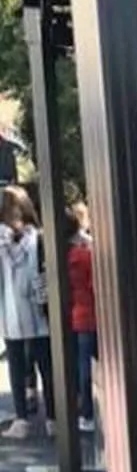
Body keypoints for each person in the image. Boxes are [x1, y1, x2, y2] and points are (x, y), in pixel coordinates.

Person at [0, 186, 54, 440]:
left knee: (22, 365)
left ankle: (25, 419)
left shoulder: (6, 240)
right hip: (33, 312)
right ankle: (49, 418)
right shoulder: (37, 238)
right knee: (42, 365)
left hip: (16, 311)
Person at [66, 206, 98, 432]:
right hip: (89, 314)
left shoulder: (57, 257)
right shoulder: (84, 255)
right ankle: (89, 411)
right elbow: (93, 285)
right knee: (90, 365)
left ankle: (82, 411)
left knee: (79, 365)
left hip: (71, 316)